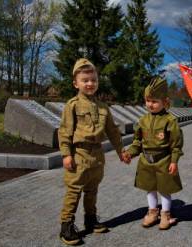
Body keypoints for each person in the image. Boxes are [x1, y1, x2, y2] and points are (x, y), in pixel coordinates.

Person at [58, 58, 125, 245]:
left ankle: (90, 219)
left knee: (92, 190)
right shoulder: (72, 105)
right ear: (75, 83)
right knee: (74, 191)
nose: (90, 83)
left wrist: (121, 151)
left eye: (93, 80)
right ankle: (66, 226)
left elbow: (112, 131)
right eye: (85, 80)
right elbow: (64, 131)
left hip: (97, 156)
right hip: (79, 155)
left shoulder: (103, 107)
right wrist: (66, 154)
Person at [122, 77, 183, 230]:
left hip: (164, 161)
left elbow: (176, 145)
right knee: (150, 188)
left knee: (165, 189)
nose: (150, 104)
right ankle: (152, 212)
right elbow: (137, 142)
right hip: (146, 161)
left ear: (165, 102)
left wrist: (174, 161)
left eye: (154, 101)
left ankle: (166, 215)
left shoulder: (170, 121)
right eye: (148, 100)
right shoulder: (142, 120)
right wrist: (130, 153)